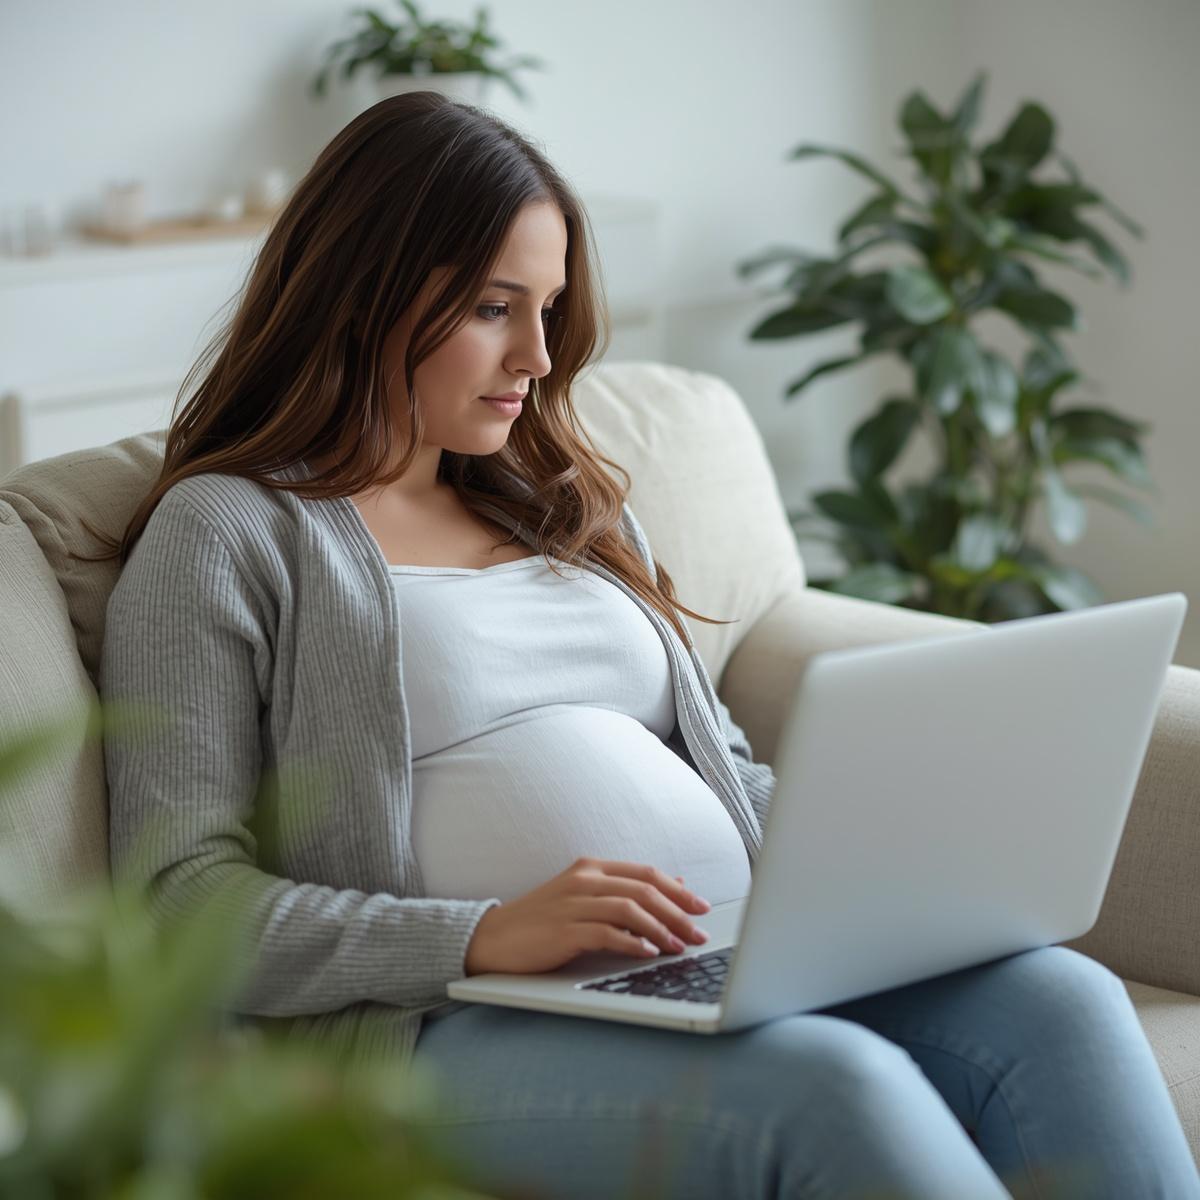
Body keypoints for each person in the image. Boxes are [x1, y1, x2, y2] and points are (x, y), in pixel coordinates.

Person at [91, 92, 1200, 1200]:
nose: (536, 355)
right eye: (493, 307)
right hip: (429, 1029)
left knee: (1063, 1000)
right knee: (832, 1089)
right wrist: (479, 937)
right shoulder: (230, 531)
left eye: (548, 308)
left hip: (723, 962)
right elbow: (178, 901)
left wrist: (874, 866)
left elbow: (721, 768)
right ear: (361, 291)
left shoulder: (567, 503)